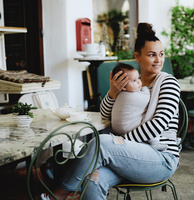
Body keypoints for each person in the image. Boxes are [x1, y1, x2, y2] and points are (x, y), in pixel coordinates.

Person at [40, 22, 181, 200]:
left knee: (104, 143)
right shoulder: (130, 82)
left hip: (160, 158)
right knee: (92, 181)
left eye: (161, 54)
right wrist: (113, 93)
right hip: (129, 157)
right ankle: (73, 184)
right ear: (138, 57)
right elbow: (106, 116)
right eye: (152, 55)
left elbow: (158, 124)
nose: (158, 60)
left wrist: (119, 142)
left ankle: (60, 193)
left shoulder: (168, 83)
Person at [111, 62, 167, 151]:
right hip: (128, 129)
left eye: (138, 78)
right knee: (149, 117)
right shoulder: (130, 97)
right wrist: (145, 88)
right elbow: (147, 97)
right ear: (123, 86)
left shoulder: (119, 94)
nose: (139, 82)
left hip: (116, 131)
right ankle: (154, 142)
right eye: (134, 80)